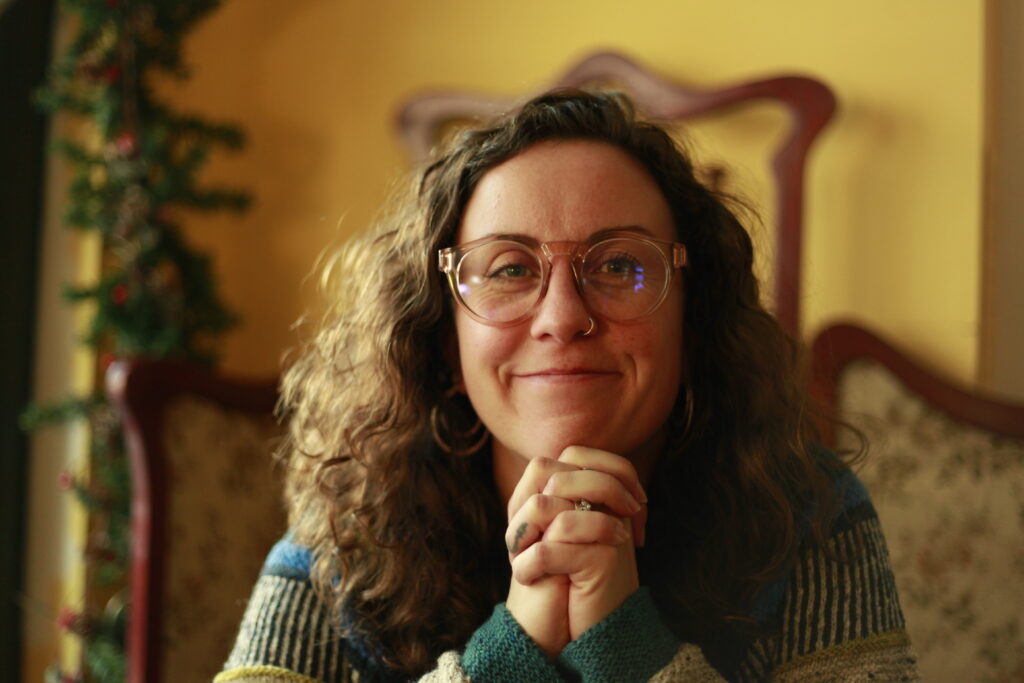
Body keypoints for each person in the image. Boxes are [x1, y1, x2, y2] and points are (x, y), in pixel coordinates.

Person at [217, 89, 919, 682]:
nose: (562, 317)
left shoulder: (808, 515)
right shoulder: (349, 528)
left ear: (693, 320)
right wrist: (511, 648)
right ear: (441, 337)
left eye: (619, 266)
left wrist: (624, 637)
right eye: (510, 268)